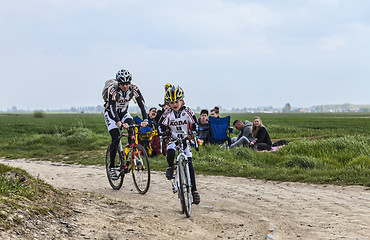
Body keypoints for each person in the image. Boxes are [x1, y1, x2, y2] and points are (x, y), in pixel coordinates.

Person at [158, 85, 200, 204]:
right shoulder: (167, 113)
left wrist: (194, 132)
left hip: (186, 139)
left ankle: (194, 191)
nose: (174, 104)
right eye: (171, 102)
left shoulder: (188, 111)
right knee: (170, 152)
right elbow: (160, 126)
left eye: (176, 101)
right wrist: (164, 136)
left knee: (190, 164)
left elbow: (195, 124)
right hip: (173, 138)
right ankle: (170, 167)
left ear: (182, 101)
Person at [104, 69, 148, 179]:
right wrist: (119, 123)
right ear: (119, 83)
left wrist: (146, 119)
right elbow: (112, 108)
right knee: (115, 138)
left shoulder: (134, 89)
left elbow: (142, 104)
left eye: (127, 83)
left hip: (124, 113)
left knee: (132, 128)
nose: (125, 86)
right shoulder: (113, 90)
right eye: (123, 84)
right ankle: (112, 167)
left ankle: (130, 152)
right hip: (111, 115)